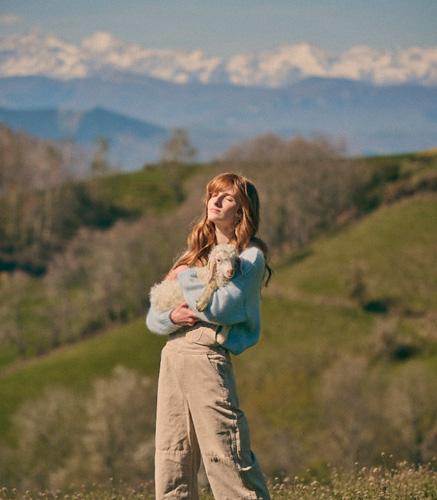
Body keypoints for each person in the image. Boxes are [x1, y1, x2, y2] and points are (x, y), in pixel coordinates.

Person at [146, 172, 272, 499]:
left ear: (242, 210)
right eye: (213, 195)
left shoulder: (249, 257)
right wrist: (173, 315)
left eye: (227, 197)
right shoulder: (194, 256)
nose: (215, 202)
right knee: (173, 456)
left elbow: (222, 307)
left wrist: (186, 278)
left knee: (226, 453)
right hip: (173, 355)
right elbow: (154, 317)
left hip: (206, 356)